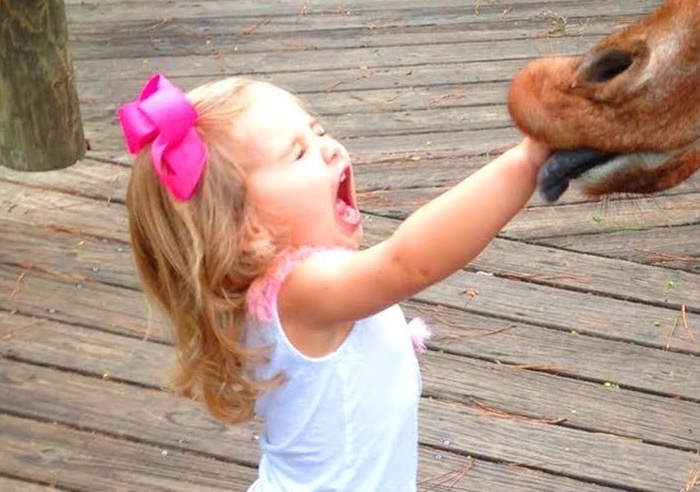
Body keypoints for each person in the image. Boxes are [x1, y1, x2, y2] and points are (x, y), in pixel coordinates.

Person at [120, 73, 549, 491]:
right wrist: (526, 161)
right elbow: (407, 263)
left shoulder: (284, 293)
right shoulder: (298, 293)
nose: (327, 148)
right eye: (298, 153)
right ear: (245, 230)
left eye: (318, 130)